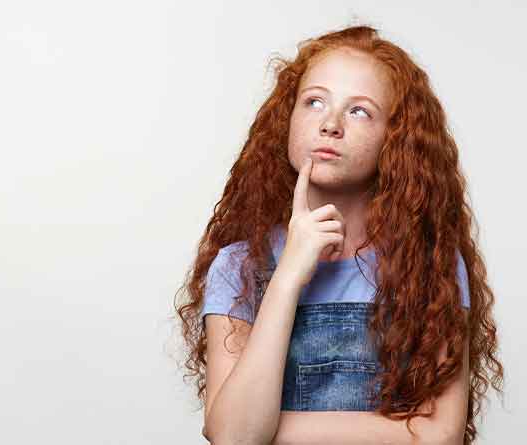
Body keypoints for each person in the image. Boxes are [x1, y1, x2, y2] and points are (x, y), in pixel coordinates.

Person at [174, 24, 504, 445]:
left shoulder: (430, 264)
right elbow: (233, 437)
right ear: (287, 119)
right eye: (314, 102)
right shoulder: (238, 266)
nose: (330, 124)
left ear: (395, 139)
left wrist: (270, 429)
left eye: (359, 110)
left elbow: (439, 435)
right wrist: (288, 274)